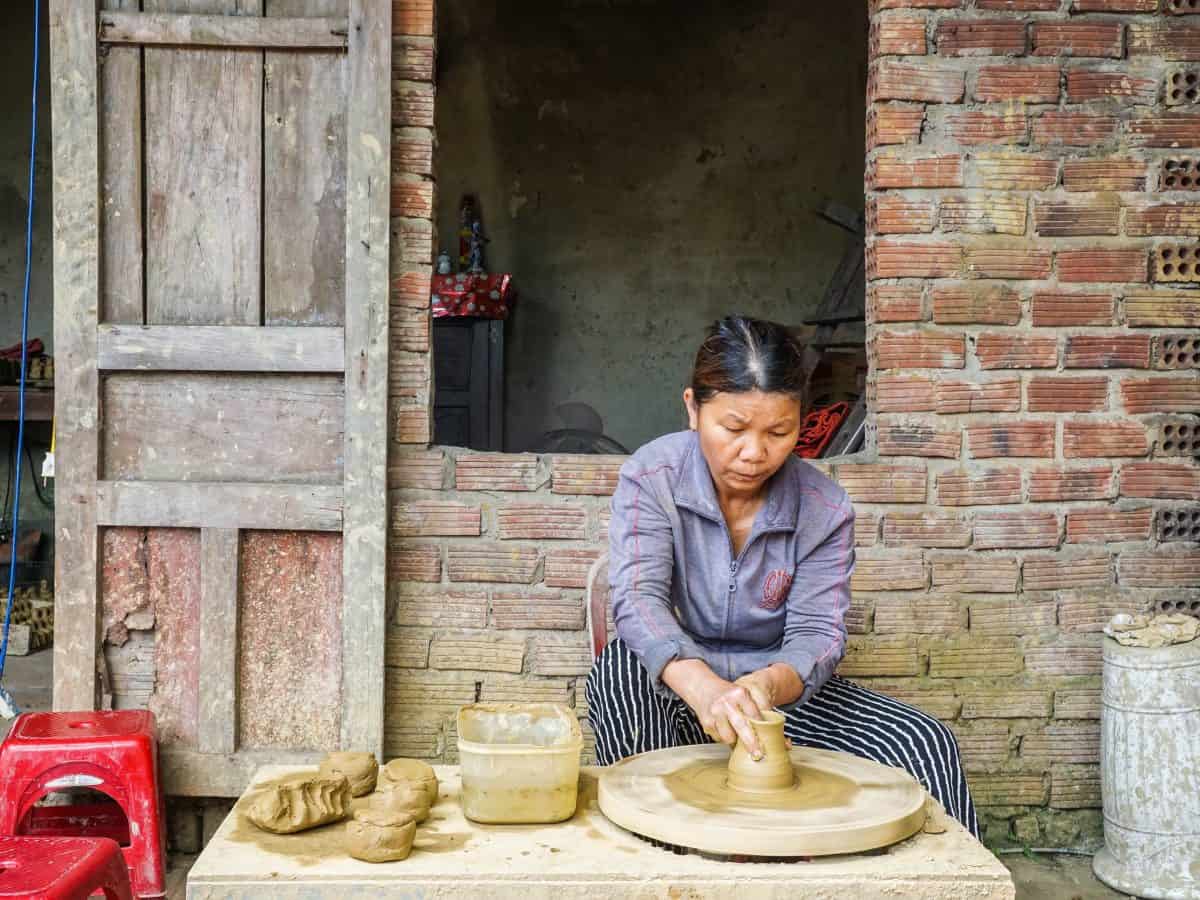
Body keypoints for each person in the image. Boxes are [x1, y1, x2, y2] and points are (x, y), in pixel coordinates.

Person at [586, 315, 979, 837]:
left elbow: (818, 635)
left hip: (777, 696)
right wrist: (705, 689)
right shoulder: (651, 475)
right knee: (618, 676)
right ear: (692, 409)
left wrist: (763, 688)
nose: (754, 452)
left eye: (778, 432)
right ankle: (664, 863)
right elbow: (638, 599)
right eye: (732, 428)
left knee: (924, 742)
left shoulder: (824, 508)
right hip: (681, 684)